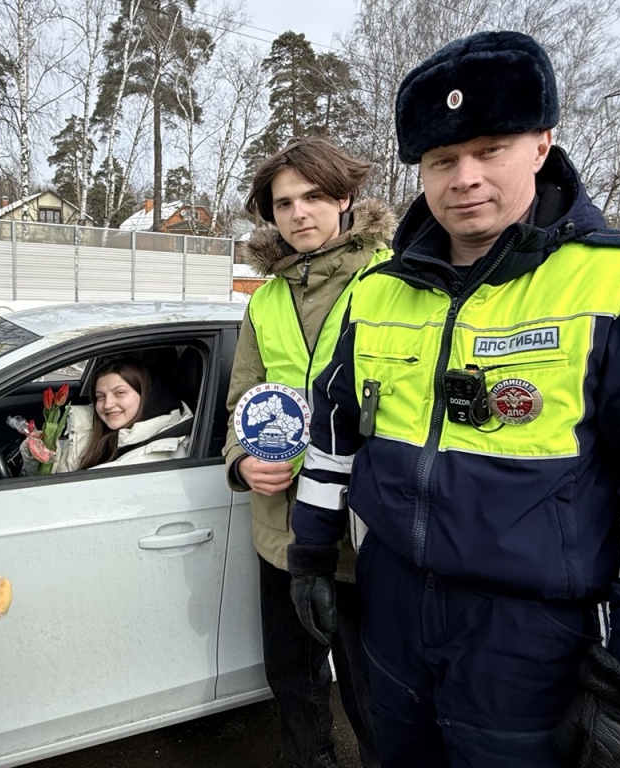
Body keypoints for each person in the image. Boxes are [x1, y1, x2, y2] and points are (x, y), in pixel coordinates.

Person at [287, 30, 620, 768]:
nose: (464, 178)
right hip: (393, 608)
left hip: (534, 638)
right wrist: (310, 549)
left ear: (541, 145)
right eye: (442, 160)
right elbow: (334, 437)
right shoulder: (376, 293)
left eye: (490, 149)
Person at [223, 136, 395, 768]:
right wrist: (241, 460)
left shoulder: (393, 283)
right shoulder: (265, 299)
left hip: (360, 531)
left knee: (372, 691)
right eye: (284, 203)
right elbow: (242, 399)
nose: (299, 213)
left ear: (345, 198)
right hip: (281, 531)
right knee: (293, 677)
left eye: (314, 196)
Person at [22, 356, 193, 473]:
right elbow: (61, 469)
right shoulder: (95, 433)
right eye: (100, 396)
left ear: (146, 396)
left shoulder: (157, 455)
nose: (108, 404)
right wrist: (41, 453)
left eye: (120, 393)